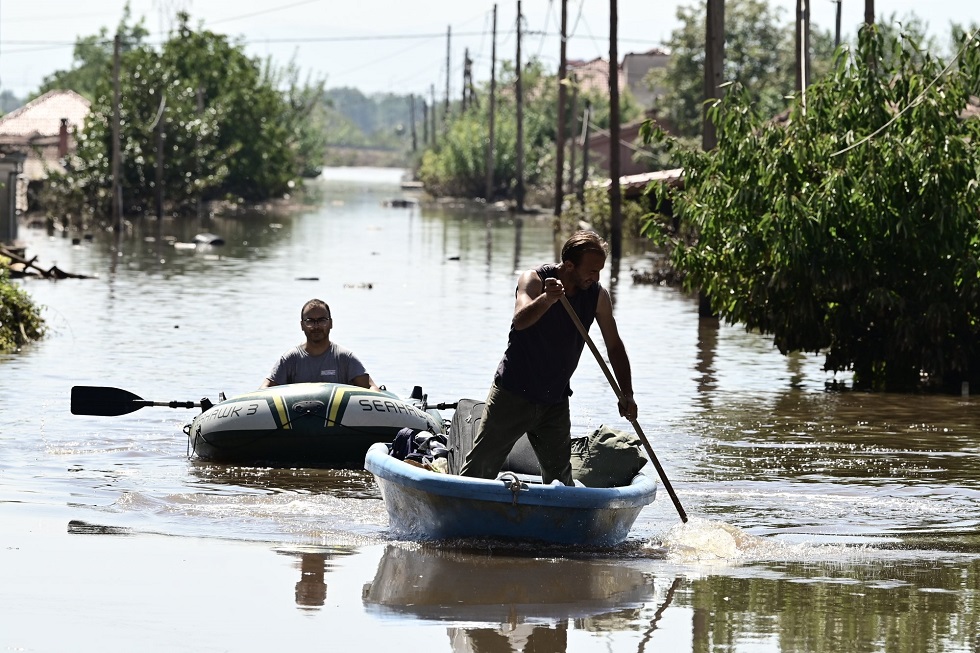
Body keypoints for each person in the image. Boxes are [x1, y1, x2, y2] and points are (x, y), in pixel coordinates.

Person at [460, 230, 637, 486]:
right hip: (513, 394)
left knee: (561, 483)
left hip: (554, 399)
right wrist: (547, 299)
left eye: (600, 271)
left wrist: (627, 393)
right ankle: (460, 515)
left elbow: (615, 346)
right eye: (591, 270)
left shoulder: (598, 296)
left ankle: (557, 521)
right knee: (479, 471)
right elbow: (520, 321)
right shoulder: (533, 280)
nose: (595, 277)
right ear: (568, 265)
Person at [260, 298, 379, 390]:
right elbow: (263, 390)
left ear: (331, 323)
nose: (316, 326)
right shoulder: (290, 359)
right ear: (302, 325)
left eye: (322, 320)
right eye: (310, 321)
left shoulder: (345, 358)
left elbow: (372, 388)